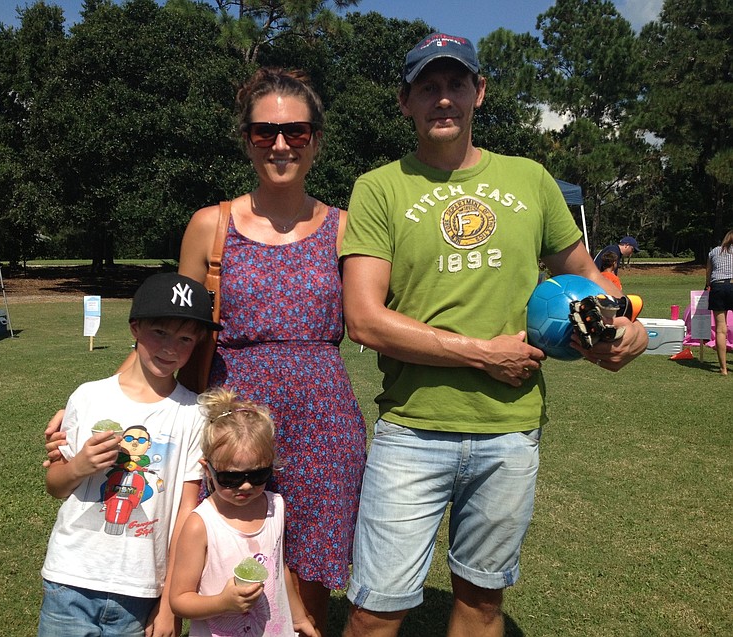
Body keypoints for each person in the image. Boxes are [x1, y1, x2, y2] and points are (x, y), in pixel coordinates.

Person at [339, 33, 649, 637]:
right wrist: (483, 354)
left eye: (456, 84)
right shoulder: (379, 187)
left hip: (510, 430)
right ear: (405, 101)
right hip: (413, 428)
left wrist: (624, 325)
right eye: (428, 87)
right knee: (375, 610)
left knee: (482, 605)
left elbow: (587, 276)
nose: (443, 98)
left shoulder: (530, 178)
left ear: (479, 92)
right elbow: (365, 319)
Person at [46, 67, 366, 635]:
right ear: (246, 139)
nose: (281, 144)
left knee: (308, 571)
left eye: (296, 130)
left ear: (316, 138)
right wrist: (106, 402)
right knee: (216, 550)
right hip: (226, 418)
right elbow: (172, 327)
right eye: (265, 131)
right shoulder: (210, 225)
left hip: (322, 423)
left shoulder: (347, 229)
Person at [38, 272, 222, 637]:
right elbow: (55, 485)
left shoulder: (194, 414)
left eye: (185, 338)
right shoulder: (89, 397)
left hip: (141, 590)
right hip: (70, 580)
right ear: (135, 328)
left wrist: (169, 604)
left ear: (198, 341)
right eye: (160, 332)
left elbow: (185, 514)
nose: (170, 348)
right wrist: (78, 466)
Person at [169, 387, 318, 637]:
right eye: (230, 478)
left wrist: (299, 616)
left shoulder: (275, 506)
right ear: (207, 470)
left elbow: (279, 570)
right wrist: (223, 603)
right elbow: (180, 600)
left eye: (258, 475)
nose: (246, 486)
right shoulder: (201, 524)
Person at [705, 229, 733, 375]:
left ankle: (723, 368)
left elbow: (708, 272)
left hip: (718, 286)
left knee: (721, 329)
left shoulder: (714, 251)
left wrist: (707, 285)